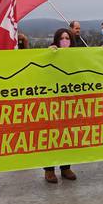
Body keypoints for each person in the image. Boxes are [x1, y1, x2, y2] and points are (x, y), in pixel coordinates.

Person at [44, 28, 78, 183]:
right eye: (62, 38)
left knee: (67, 135)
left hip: (70, 102)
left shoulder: (78, 55)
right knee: (50, 136)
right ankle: (49, 170)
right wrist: (48, 54)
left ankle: (66, 167)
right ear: (56, 40)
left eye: (68, 38)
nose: (65, 41)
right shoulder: (50, 53)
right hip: (52, 102)